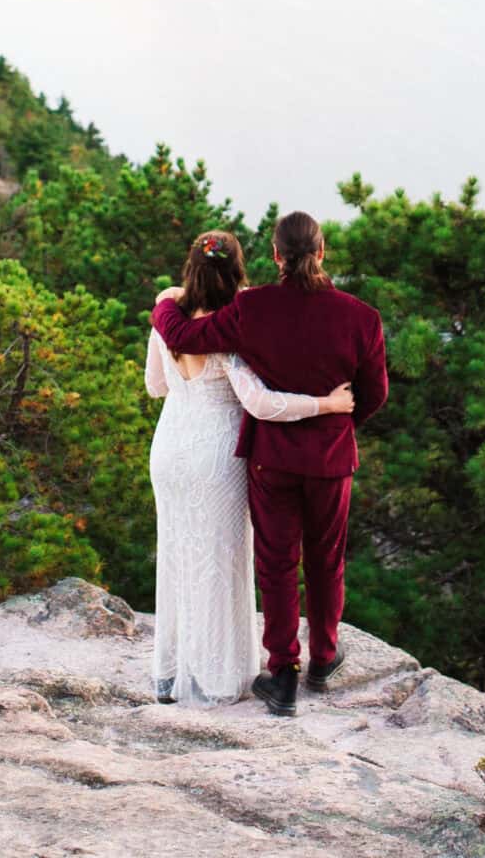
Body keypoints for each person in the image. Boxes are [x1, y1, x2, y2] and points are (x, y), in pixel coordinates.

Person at [153, 210, 388, 716]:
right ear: (322, 252)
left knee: (277, 563)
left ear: (277, 256)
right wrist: (335, 422)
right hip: (329, 457)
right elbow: (374, 394)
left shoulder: (252, 308)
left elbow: (186, 339)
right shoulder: (362, 317)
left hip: (270, 459)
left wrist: (161, 308)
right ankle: (324, 657)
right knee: (326, 560)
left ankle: (282, 673)